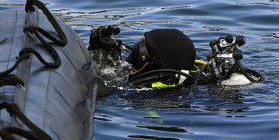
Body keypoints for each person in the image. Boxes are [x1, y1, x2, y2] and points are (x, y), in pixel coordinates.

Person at [88, 26, 263, 90]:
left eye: (140, 54)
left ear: (157, 63)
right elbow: (123, 70)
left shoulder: (150, 90)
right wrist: (107, 53)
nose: (133, 59)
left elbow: (103, 91)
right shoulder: (185, 71)